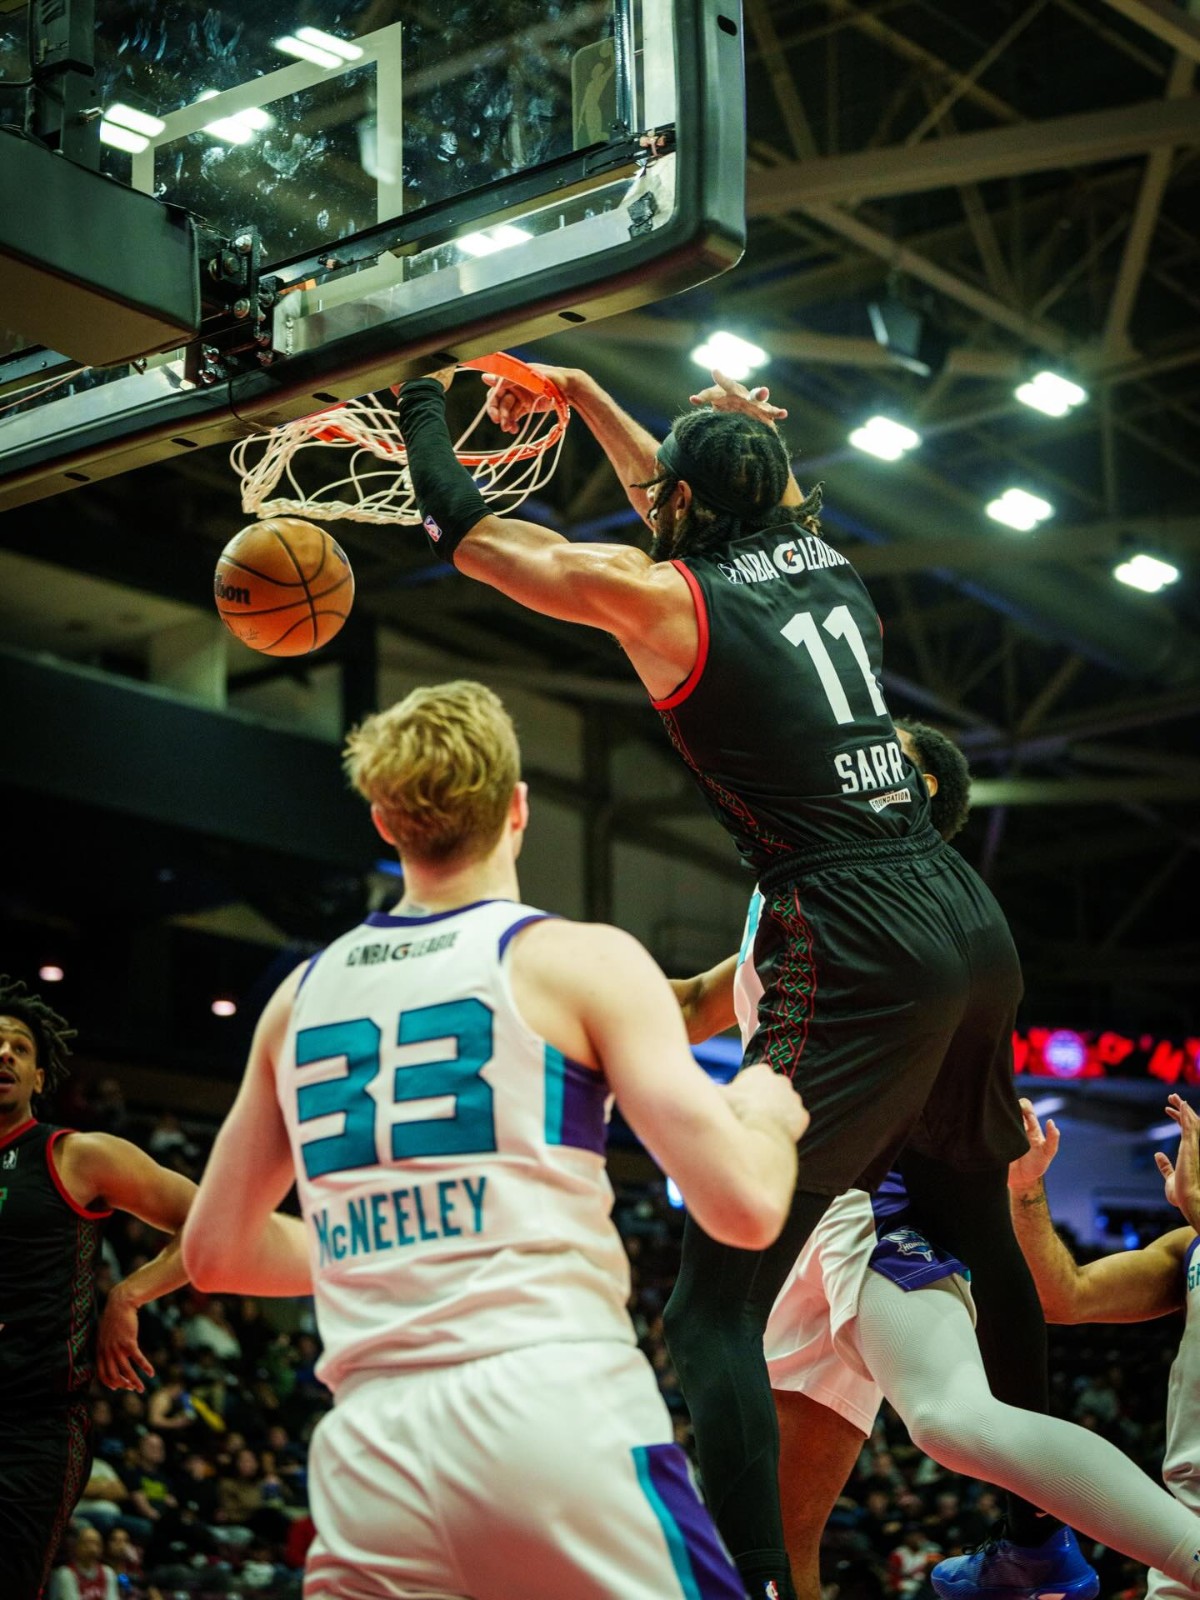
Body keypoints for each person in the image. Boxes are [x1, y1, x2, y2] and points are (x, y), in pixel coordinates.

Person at [389, 362, 1057, 1598]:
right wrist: (585, 393)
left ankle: (752, 1585)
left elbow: (479, 541)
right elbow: (699, 490)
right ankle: (1038, 1545)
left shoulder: (665, 600)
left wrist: (419, 402)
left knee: (711, 1307)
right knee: (978, 1224)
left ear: (685, 504)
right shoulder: (823, 557)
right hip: (966, 914)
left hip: (854, 930)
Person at [181, 678, 809, 1599]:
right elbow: (747, 1209)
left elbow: (215, 1252)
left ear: (384, 822)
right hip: (547, 1402)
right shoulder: (577, 958)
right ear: (518, 807)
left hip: (367, 1450)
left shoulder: (298, 997)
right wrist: (764, 1112)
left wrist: (401, 1243)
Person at [674, 728, 1200, 1599]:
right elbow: (699, 1001)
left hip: (865, 1192)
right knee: (769, 1531)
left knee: (949, 1420)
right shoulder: (798, 882)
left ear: (907, 788)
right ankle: (1039, 1547)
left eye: (881, 750)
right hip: (792, 1204)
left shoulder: (908, 902)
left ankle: (1122, 1549)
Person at [0, 977, 197, 1600]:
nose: (4, 1053)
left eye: (20, 1047)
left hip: (30, 1426)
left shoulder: (75, 1156)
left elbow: (209, 1223)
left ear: (38, 1078)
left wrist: (128, 1295)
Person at [1008, 1092, 1200, 1600]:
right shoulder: (1189, 1246)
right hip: (1186, 1521)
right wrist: (1026, 1187)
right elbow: (1063, 1297)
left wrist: (1195, 1201)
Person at [48, 1525, 117, 1600]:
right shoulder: (66, 1573)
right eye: (87, 1543)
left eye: (96, 1544)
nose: (92, 1548)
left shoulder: (108, 1572)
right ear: (77, 1546)